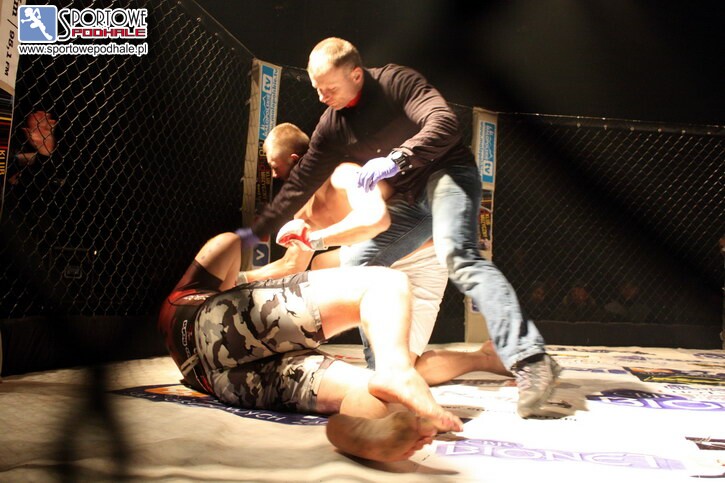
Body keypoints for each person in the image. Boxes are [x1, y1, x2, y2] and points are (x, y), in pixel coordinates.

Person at [236, 38, 559, 417]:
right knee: (356, 266)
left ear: (356, 74)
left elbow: (445, 123)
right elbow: (300, 182)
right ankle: (388, 370)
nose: (323, 98)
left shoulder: (396, 82)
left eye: (330, 88)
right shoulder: (332, 125)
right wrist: (255, 231)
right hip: (408, 202)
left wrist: (398, 158)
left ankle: (530, 359)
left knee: (459, 255)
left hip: (445, 175)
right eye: (317, 90)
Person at [157, 231, 463, 463]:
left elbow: (279, 267)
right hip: (214, 328)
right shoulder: (194, 293)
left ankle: (354, 428)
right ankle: (396, 371)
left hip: (221, 382)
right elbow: (231, 243)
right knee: (384, 283)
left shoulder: (178, 305)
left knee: (371, 392)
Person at [247, 122, 509, 385]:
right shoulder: (303, 211)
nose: (274, 176)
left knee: (398, 372)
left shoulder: (344, 175)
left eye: (274, 166)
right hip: (373, 265)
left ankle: (484, 358)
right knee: (321, 266)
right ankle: (305, 342)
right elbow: (291, 265)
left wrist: (316, 238)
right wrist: (239, 280)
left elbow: (375, 220)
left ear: (295, 160)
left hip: (420, 260)